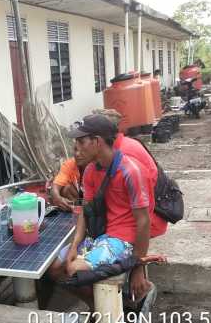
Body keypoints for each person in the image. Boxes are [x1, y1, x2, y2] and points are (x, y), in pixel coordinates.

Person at [49, 114, 153, 305]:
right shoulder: (90, 171)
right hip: (101, 235)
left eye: (81, 142)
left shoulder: (130, 171)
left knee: (74, 269)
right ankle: (95, 306)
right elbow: (85, 211)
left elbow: (144, 222)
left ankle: (111, 309)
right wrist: (74, 246)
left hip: (124, 239)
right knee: (55, 267)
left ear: (96, 142)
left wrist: (138, 266)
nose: (76, 149)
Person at [51, 142, 89, 212]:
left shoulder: (97, 166)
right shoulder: (69, 164)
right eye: (75, 150)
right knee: (66, 188)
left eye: (82, 150)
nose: (77, 154)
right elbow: (55, 186)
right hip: (79, 199)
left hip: (92, 200)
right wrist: (57, 198)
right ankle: (77, 209)